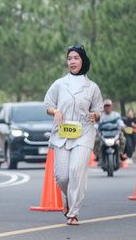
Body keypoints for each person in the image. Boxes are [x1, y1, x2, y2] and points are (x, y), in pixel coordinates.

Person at [44, 45, 103, 225]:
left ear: (83, 61)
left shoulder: (92, 87)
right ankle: (69, 198)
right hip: (62, 133)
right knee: (62, 176)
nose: (72, 61)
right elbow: (47, 105)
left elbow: (99, 110)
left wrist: (95, 115)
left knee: (76, 171)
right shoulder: (59, 84)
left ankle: (73, 213)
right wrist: (55, 111)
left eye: (76, 58)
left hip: (84, 133)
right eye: (69, 58)